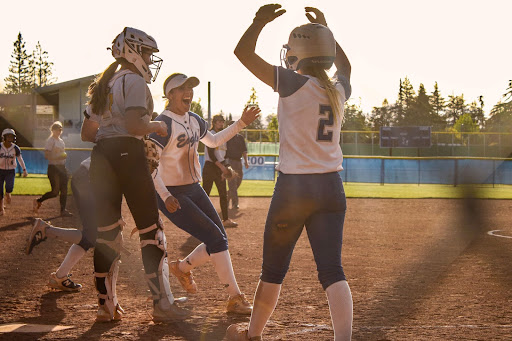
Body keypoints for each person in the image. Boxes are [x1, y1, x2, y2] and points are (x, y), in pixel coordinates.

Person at [227, 5, 353, 341]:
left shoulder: (293, 82)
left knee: (273, 270)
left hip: (294, 190)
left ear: (300, 53)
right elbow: (346, 67)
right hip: (331, 186)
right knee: (332, 270)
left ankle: (252, 334)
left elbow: (242, 52)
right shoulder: (338, 90)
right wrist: (327, 30)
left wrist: (259, 21)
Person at [82, 27, 189, 323]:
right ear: (132, 51)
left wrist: (111, 137)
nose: (150, 59)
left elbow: (88, 132)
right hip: (128, 155)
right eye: (147, 53)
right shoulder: (135, 81)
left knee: (107, 233)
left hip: (102, 156)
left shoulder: (102, 85)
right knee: (150, 231)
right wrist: (155, 126)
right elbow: (133, 124)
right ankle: (161, 304)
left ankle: (105, 305)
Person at [149, 73, 261, 315]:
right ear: (170, 95)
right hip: (172, 193)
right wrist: (165, 196)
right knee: (217, 239)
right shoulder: (162, 124)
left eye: (190, 87)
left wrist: (240, 123)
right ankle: (234, 297)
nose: (188, 91)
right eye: (182, 88)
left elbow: (214, 141)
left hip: (194, 188)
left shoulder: (193, 119)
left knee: (218, 237)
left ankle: (181, 268)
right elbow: (151, 166)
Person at [25, 157, 96, 292]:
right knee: (92, 234)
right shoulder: (128, 152)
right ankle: (46, 230)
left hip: (86, 177)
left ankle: (60, 277)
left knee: (89, 237)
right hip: (89, 179)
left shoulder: (127, 147)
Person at [202, 114, 238, 227]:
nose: (221, 123)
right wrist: (223, 168)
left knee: (223, 194)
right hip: (210, 167)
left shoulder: (223, 137)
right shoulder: (210, 134)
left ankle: (226, 219)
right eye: (219, 121)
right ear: (214, 122)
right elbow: (212, 155)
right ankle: (200, 219)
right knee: (205, 194)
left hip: (220, 168)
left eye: (222, 121)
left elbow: (224, 155)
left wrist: (227, 167)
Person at [33, 121, 72, 217]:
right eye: (57, 129)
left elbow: (62, 155)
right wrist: (58, 157)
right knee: (55, 192)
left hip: (62, 167)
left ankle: (63, 210)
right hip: (53, 168)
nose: (59, 131)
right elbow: (47, 155)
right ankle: (38, 200)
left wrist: (62, 157)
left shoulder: (61, 141)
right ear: (53, 130)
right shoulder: (50, 141)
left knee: (64, 190)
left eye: (60, 129)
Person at [0, 128, 28, 215]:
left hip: (10, 171)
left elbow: (20, 159)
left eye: (11, 137)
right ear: (4, 138)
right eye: (8, 137)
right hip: (0, 170)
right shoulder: (0, 147)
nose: (10, 139)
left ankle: (8, 193)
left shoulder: (15, 148)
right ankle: (1, 209)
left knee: (9, 187)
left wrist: (24, 169)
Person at [225, 122, 249, 210]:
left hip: (238, 162)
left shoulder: (240, 137)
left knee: (238, 181)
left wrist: (246, 161)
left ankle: (227, 196)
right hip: (230, 161)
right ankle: (235, 204)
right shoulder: (227, 137)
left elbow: (244, 151)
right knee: (232, 184)